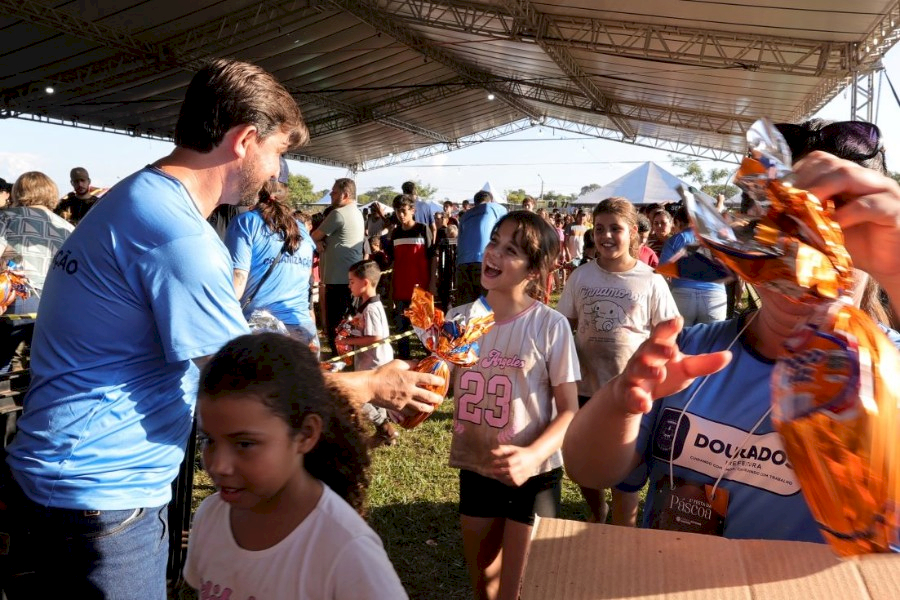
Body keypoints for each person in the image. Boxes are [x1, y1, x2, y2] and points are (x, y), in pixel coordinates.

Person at [0, 59, 442, 599]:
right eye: (278, 152)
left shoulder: (141, 198)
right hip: (101, 495)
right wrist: (372, 386)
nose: (278, 173)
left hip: (74, 481)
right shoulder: (177, 235)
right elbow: (249, 384)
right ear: (245, 140)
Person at [563, 133, 900, 544]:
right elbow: (588, 469)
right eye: (783, 236)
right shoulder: (689, 353)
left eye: (835, 238)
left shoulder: (889, 367)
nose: (805, 264)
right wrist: (619, 402)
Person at [184, 332, 408, 599]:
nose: (218, 465)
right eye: (208, 439)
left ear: (305, 434)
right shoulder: (211, 516)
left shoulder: (346, 550)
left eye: (244, 444)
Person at [447, 211, 579, 600]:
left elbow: (569, 409)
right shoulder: (458, 321)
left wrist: (531, 456)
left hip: (534, 477)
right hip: (476, 466)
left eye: (511, 250)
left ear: (534, 270)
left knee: (520, 589)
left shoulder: (550, 326)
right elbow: (439, 385)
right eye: (493, 242)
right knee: (483, 582)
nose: (494, 254)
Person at [557, 198, 678, 527]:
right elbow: (561, 325)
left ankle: (623, 532)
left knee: (627, 472)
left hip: (631, 395)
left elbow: (669, 332)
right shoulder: (581, 277)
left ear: (634, 233)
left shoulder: (651, 280)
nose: (606, 236)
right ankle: (598, 510)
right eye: (599, 229)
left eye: (615, 228)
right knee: (585, 461)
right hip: (586, 388)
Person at [226, 179, 318, 353]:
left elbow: (238, 279)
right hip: (303, 329)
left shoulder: (246, 222)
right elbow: (305, 278)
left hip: (263, 332)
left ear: (255, 196)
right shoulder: (302, 230)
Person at [0, 172, 74, 373]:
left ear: (18, 191)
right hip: (54, 304)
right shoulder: (67, 228)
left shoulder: (5, 217)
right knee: (43, 366)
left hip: (14, 300)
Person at [344, 260, 399, 448]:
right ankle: (385, 432)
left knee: (357, 396)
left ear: (365, 283)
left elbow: (376, 337)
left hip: (375, 364)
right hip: (369, 362)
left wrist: (348, 341)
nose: (349, 285)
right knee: (375, 400)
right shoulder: (366, 305)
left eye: (352, 281)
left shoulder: (372, 307)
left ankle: (385, 428)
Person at [312, 178, 365, 356]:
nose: (331, 195)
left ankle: (338, 355)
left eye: (334, 192)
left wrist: (318, 243)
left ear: (345, 194)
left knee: (336, 322)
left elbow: (314, 235)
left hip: (337, 278)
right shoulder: (357, 213)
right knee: (349, 320)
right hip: (350, 277)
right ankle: (347, 353)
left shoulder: (338, 214)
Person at [659, 205, 727, 326]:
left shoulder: (675, 240)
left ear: (678, 222)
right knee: (712, 340)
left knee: (683, 340)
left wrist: (671, 287)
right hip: (714, 296)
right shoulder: (717, 239)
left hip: (682, 295)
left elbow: (662, 273)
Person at [387, 194, 435, 359]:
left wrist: (433, 283)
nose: (401, 215)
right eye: (397, 211)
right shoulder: (395, 233)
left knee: (425, 332)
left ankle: (431, 363)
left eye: (403, 211)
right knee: (402, 332)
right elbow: (394, 263)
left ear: (412, 210)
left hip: (421, 289)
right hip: (400, 289)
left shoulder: (423, 229)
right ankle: (405, 364)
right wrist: (391, 287)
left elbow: (432, 257)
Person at [455, 190, 507, 306]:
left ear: (475, 202)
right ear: (491, 200)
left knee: (465, 307)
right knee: (487, 306)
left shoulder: (465, 215)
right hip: (483, 261)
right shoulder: (495, 208)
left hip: (462, 264)